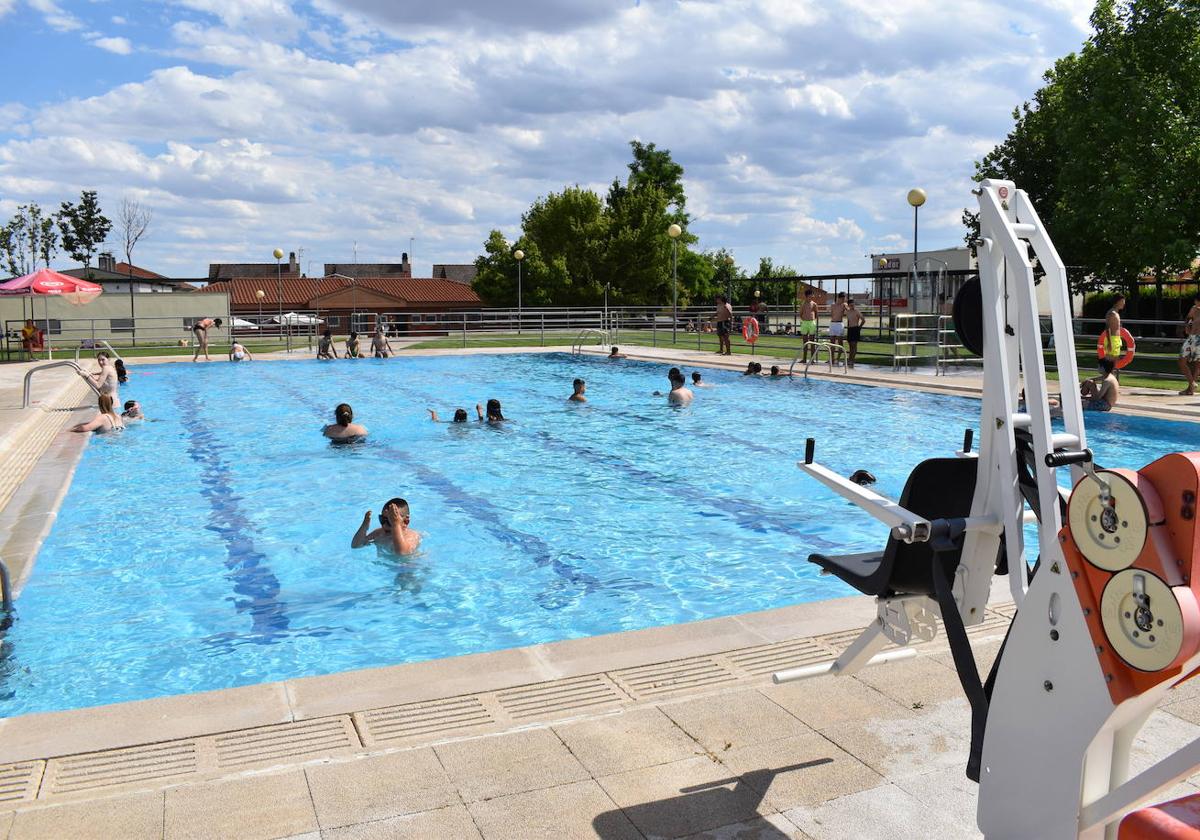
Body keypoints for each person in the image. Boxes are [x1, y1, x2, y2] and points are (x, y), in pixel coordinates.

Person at [351, 498, 421, 556]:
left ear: (406, 522)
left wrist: (395, 525)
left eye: (390, 521)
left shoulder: (411, 535)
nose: (384, 525)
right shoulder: (379, 533)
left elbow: (402, 554)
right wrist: (365, 526)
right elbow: (356, 545)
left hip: (407, 567)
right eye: (382, 519)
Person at [1180, 292, 1200, 396]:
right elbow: (1188, 318)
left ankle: (1190, 389)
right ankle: (1192, 383)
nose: (1195, 303)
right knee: (1182, 361)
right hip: (1192, 338)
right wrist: (1187, 326)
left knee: (1197, 364)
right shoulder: (1194, 308)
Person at [1102, 295, 1126, 366]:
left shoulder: (1116, 313)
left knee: (1114, 366)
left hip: (1116, 340)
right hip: (1112, 340)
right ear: (1117, 302)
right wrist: (1109, 343)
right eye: (1122, 301)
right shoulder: (1112, 313)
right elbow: (1107, 328)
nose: (1124, 303)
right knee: (1109, 367)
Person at [798, 288, 818, 362]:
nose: (811, 297)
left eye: (812, 295)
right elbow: (800, 314)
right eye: (810, 295)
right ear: (806, 296)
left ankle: (812, 359)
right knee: (805, 342)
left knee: (812, 342)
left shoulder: (814, 304)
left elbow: (816, 313)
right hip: (804, 323)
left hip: (811, 323)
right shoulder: (803, 304)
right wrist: (804, 320)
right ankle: (804, 359)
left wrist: (812, 320)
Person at [846, 298, 865, 368]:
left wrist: (859, 327)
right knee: (850, 346)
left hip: (855, 328)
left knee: (854, 345)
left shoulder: (857, 311)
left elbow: (863, 320)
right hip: (850, 329)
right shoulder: (847, 311)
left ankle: (852, 360)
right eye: (851, 305)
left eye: (853, 305)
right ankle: (849, 359)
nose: (852, 306)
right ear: (849, 305)